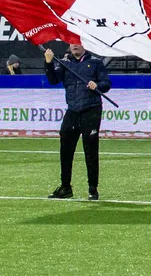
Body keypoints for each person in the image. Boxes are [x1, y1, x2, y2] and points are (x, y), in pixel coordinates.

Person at [44, 41, 112, 201]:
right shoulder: (64, 63)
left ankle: (93, 189)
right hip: (72, 110)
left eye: (78, 42)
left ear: (84, 45)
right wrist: (48, 63)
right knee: (65, 150)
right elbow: (53, 80)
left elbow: (106, 84)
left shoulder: (95, 62)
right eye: (72, 42)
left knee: (91, 150)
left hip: (91, 110)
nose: (74, 45)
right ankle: (65, 187)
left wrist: (97, 85)